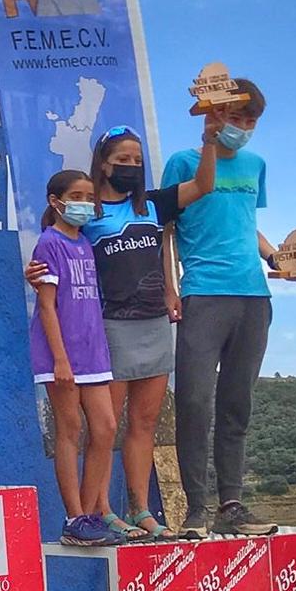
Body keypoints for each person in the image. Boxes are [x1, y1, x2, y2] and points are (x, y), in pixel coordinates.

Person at [80, 112, 223, 537]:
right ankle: (101, 508)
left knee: (144, 423)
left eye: (137, 159)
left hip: (155, 324)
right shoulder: (88, 209)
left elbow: (202, 186)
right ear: (104, 163)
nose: (131, 165)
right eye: (122, 158)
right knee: (107, 427)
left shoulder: (152, 204)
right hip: (111, 325)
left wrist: (209, 141)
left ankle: (141, 508)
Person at [160, 84, 284, 538]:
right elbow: (166, 229)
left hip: (253, 296)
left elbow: (248, 223)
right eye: (237, 118)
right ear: (213, 116)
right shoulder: (183, 162)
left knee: (237, 403)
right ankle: (196, 509)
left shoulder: (256, 165)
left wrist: (277, 259)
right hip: (204, 293)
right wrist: (168, 287)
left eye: (251, 122)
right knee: (194, 400)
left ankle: (232, 503)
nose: (244, 129)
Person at [30, 170, 122, 545]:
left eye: (89, 196)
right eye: (77, 196)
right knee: (70, 429)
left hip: (93, 353)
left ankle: (88, 516)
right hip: (61, 355)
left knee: (106, 427)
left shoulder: (84, 242)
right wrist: (60, 359)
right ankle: (74, 517)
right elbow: (47, 307)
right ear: (56, 201)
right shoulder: (48, 243)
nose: (85, 203)